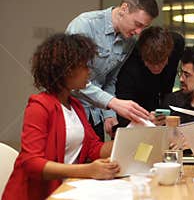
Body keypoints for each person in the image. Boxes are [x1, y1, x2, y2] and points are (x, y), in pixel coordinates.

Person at [2, 34, 120, 200]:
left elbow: (94, 148)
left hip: (66, 191)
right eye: (85, 66)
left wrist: (130, 139)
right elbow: (31, 162)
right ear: (67, 70)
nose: (89, 71)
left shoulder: (76, 105)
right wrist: (87, 170)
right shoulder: (39, 105)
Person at [65, 0, 159, 141]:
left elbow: (109, 80)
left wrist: (109, 114)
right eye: (137, 24)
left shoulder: (128, 41)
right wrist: (113, 103)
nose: (139, 32)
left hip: (95, 115)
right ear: (124, 8)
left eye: (144, 27)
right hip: (70, 111)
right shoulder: (85, 25)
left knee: (97, 161)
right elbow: (71, 77)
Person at [114, 26, 185, 133]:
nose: (156, 68)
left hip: (165, 91)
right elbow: (125, 112)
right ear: (142, 57)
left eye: (161, 62)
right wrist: (145, 121)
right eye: (151, 63)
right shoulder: (128, 67)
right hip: (137, 100)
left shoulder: (177, 44)